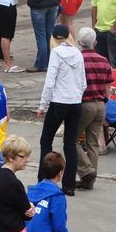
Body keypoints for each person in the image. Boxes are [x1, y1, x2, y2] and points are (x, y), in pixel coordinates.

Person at [35, 24, 82, 195]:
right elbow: (83, 81)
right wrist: (77, 95)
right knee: (70, 143)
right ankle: (69, 185)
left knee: (46, 140)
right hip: (75, 101)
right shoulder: (78, 53)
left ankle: (43, 179)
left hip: (58, 101)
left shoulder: (55, 53)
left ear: (53, 38)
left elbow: (50, 81)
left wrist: (42, 105)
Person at [75, 28, 112, 188]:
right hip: (100, 104)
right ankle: (90, 179)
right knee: (92, 141)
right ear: (95, 42)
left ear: (78, 43)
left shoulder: (78, 59)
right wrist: (105, 103)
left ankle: (86, 170)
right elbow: (108, 86)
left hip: (85, 104)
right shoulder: (103, 60)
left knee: (71, 138)